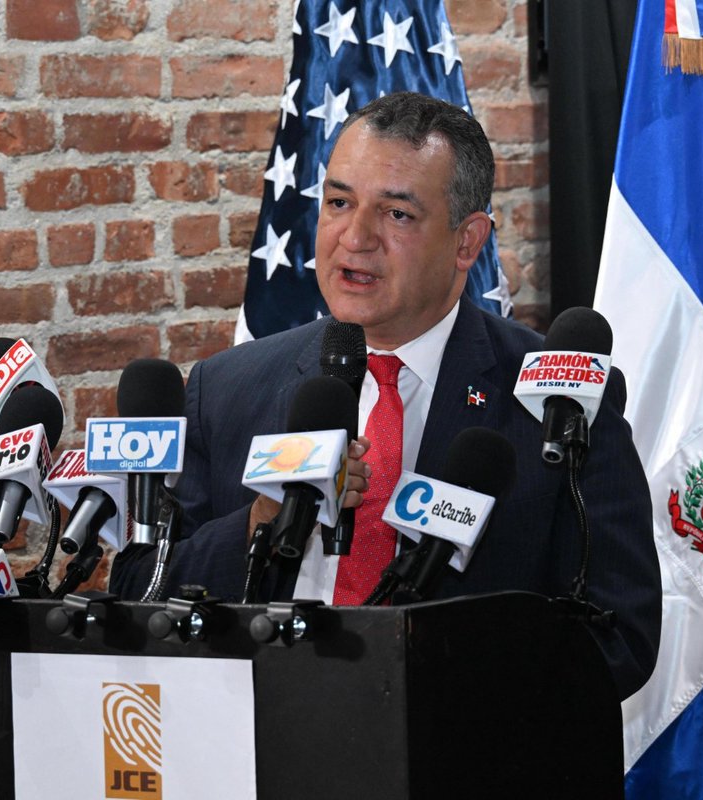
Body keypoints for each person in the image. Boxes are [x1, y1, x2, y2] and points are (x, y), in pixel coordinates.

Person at [111, 92, 661, 700]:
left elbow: (620, 634)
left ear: (466, 242)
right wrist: (256, 526)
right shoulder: (226, 387)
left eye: (396, 215)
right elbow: (139, 588)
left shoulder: (558, 402)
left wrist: (426, 697)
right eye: (339, 203)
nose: (355, 237)